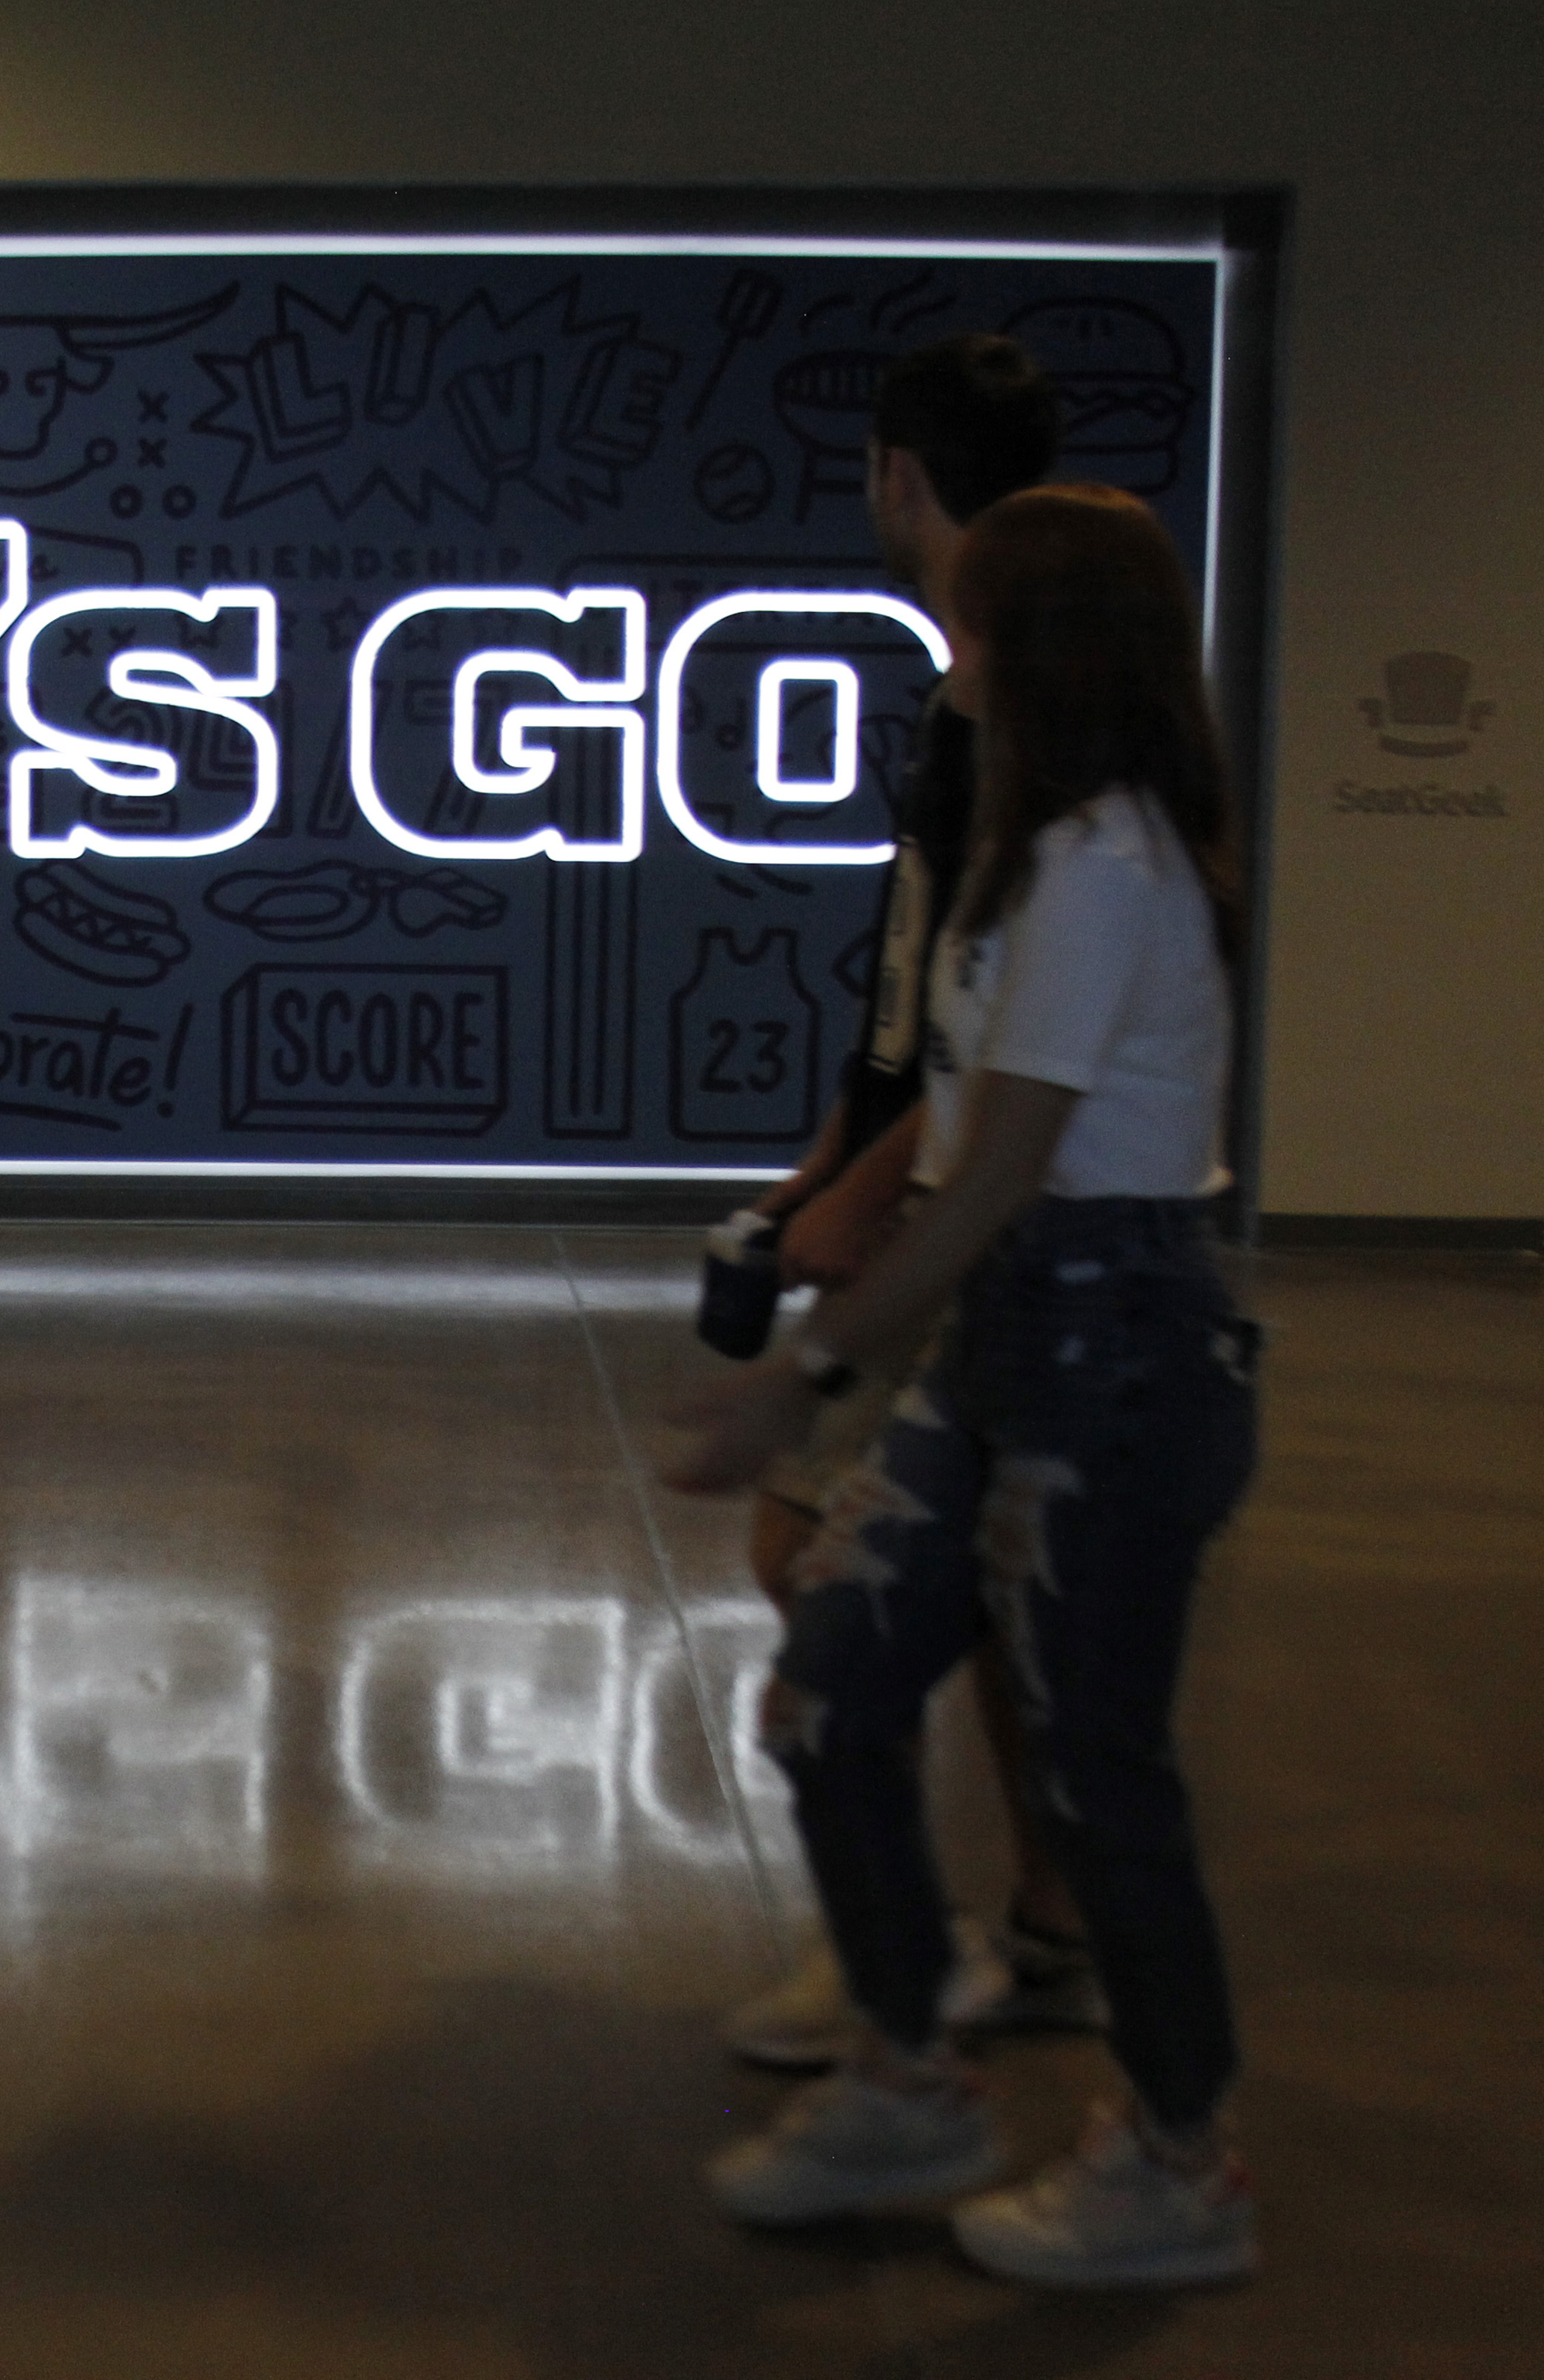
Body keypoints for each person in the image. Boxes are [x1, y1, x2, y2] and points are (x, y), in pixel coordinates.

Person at [668, 483, 1261, 2288]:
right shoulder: (1034, 847)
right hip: (1009, 1335)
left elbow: (1006, 1167)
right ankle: (908, 2071)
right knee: (830, 1687)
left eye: (971, 624)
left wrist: (802, 1374)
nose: (946, 656)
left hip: (1111, 1348)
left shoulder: (1100, 866)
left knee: (1094, 1774)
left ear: (1044, 651)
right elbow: (959, 1138)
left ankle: (1181, 2162)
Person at [717, 335, 1109, 2071]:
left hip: (970, 1211)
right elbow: (913, 983)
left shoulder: (1008, 701)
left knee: (812, 1550)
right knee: (987, 1580)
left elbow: (995, 1011)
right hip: (933, 1186)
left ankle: (897, 1948)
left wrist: (867, 1189)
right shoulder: (983, 682)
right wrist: (830, 1155)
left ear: (895, 474)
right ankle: (1041, 1916)